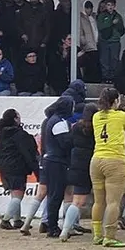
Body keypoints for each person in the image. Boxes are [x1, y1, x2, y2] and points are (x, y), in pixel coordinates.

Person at [91, 88, 125, 247]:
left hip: (97, 159)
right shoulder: (121, 116)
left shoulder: (96, 116)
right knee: (113, 202)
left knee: (98, 201)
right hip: (115, 160)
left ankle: (97, 234)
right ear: (115, 101)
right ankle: (109, 235)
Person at [0, 108, 40, 231]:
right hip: (16, 167)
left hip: (4, 167)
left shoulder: (1, 134)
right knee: (18, 195)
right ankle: (5, 220)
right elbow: (28, 154)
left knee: (14, 194)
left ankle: (17, 220)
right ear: (15, 119)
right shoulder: (20, 135)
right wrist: (36, 170)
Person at [37, 95, 75, 239]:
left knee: (54, 194)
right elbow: (65, 143)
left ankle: (51, 224)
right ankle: (52, 226)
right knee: (55, 195)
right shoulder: (59, 123)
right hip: (56, 162)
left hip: (52, 161)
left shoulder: (53, 120)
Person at [61, 102, 97, 243]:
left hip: (76, 164)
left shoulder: (76, 127)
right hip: (92, 163)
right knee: (100, 200)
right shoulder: (96, 128)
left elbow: (68, 142)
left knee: (76, 201)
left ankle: (65, 229)